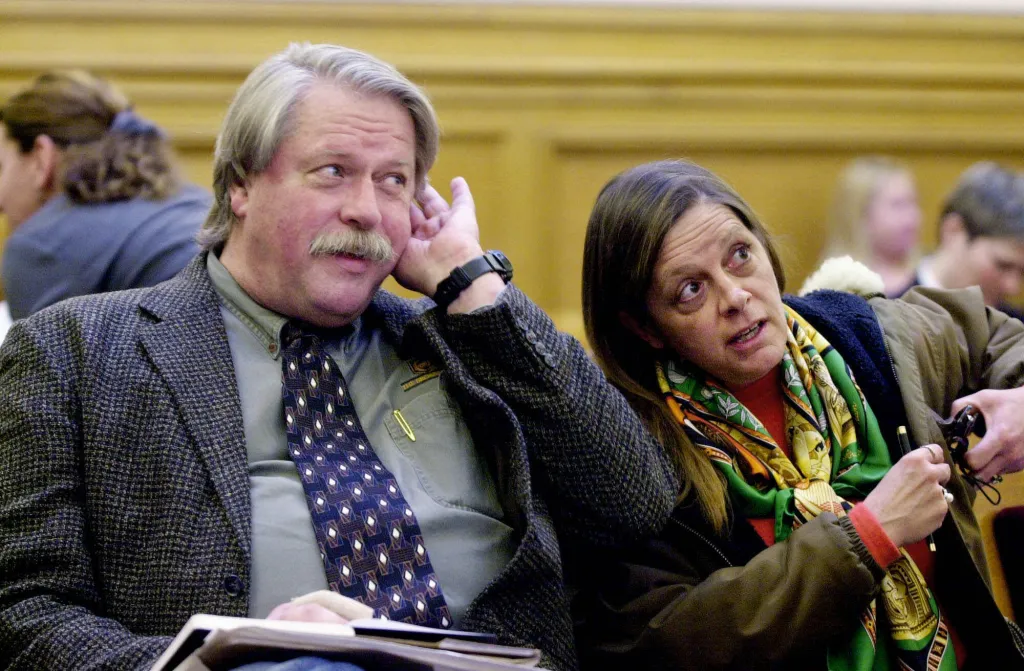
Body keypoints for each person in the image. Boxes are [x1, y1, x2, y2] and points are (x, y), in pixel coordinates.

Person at [0, 44, 676, 671]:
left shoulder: (459, 337)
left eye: (393, 182)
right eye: (333, 173)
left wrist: (473, 286)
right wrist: (225, 657)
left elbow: (633, 503)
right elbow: (23, 611)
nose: (366, 210)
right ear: (240, 184)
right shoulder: (75, 353)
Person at [575, 159, 1024, 669]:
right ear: (644, 328)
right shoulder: (626, 447)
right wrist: (869, 534)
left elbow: (996, 336)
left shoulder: (863, 334)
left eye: (740, 255)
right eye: (690, 290)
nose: (736, 297)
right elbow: (660, 644)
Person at [0, 70, 209, 320]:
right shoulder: (193, 199)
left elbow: (36, 357)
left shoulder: (39, 245)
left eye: (1, 166)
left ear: (41, 159)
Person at [906, 161, 1024, 319]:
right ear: (954, 231)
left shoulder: (1017, 328)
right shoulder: (880, 318)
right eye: (1002, 265)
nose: (1013, 287)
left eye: (1023, 272)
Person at [820, 156, 923, 297]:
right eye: (898, 205)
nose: (913, 217)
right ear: (860, 215)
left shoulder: (929, 277)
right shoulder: (834, 289)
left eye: (913, 203)